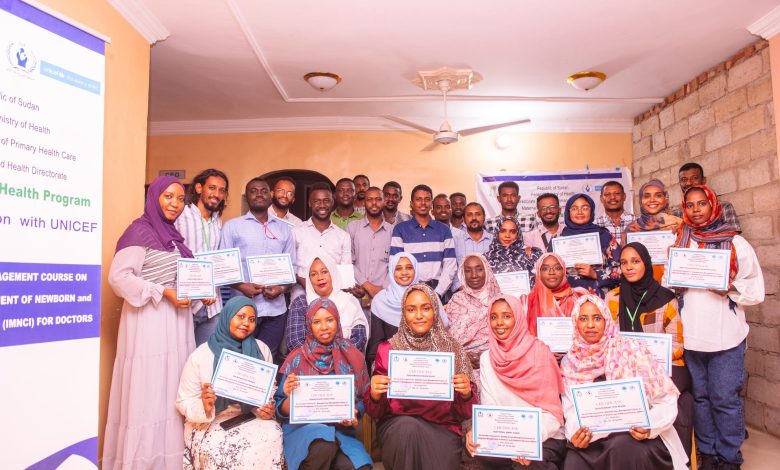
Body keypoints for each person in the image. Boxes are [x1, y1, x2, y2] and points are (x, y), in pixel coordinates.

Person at [104, 176, 205, 469]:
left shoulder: (174, 237)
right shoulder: (139, 231)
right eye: (168, 197)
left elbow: (180, 279)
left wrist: (200, 293)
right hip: (149, 322)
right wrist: (163, 292)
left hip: (177, 323)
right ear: (154, 198)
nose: (175, 204)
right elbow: (118, 277)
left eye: (180, 199)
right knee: (148, 389)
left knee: (172, 387)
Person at [674, 185, 764, 470]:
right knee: (701, 398)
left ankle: (728, 457)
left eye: (702, 204)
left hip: (726, 336)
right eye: (690, 205)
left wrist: (730, 287)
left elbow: (756, 289)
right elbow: (671, 285)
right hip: (691, 337)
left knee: (724, 398)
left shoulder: (735, 242)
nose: (696, 210)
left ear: (713, 206)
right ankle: (708, 453)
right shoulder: (680, 241)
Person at [561, 295, 688, 470]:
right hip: (594, 438)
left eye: (597, 318)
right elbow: (570, 409)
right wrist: (576, 434)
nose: (590, 325)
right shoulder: (570, 362)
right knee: (573, 461)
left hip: (637, 436)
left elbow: (667, 400)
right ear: (575, 322)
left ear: (606, 320)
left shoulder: (632, 350)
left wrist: (649, 426)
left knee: (622, 448)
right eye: (583, 318)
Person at [366, 284, 478, 470]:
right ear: (404, 313)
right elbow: (375, 412)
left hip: (443, 429)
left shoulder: (452, 349)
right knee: (407, 429)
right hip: (398, 427)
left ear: (435, 310)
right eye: (411, 309)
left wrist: (466, 394)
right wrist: (375, 395)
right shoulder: (388, 350)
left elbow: (465, 412)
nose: (419, 315)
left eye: (425, 308)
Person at [605, 242, 693, 457]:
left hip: (666, 365)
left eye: (635, 261)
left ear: (646, 263)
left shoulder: (666, 298)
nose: (629, 267)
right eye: (624, 262)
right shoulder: (612, 298)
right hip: (625, 366)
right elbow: (608, 339)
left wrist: (648, 362)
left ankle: (671, 458)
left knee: (673, 399)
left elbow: (677, 345)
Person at [176, 297, 283, 469]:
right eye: (240, 317)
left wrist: (266, 409)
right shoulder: (201, 355)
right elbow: (183, 401)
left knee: (272, 434)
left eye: (251, 319)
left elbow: (268, 393)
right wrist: (205, 406)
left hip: (249, 415)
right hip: (210, 420)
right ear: (227, 316)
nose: (246, 323)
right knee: (223, 446)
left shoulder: (262, 349)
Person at [465, 295, 567, 470]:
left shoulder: (540, 353)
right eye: (494, 317)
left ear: (518, 318)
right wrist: (479, 430)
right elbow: (490, 407)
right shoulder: (487, 358)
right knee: (475, 451)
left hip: (544, 436)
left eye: (507, 316)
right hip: (507, 436)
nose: (499, 323)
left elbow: (553, 415)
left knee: (526, 465)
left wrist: (525, 440)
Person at [276, 297, 372, 470]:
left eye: (329, 320)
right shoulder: (296, 358)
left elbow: (364, 398)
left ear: (337, 321)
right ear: (309, 325)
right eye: (317, 322)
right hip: (303, 432)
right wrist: (289, 397)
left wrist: (355, 412)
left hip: (341, 432)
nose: (324, 327)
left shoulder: (353, 355)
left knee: (361, 467)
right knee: (323, 446)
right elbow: (279, 409)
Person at [220, 177, 296, 359]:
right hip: (242, 309)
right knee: (239, 358)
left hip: (276, 311)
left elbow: (292, 268)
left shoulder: (285, 229)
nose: (259, 194)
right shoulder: (232, 227)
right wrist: (241, 286)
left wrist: (281, 288)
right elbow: (223, 268)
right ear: (247, 196)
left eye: (263, 191)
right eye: (253, 191)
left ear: (270, 195)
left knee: (267, 358)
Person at [175, 168, 229, 345]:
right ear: (199, 188)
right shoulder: (180, 216)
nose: (217, 194)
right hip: (186, 303)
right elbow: (171, 256)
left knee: (206, 356)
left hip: (213, 305)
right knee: (182, 356)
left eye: (221, 190)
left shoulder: (218, 221)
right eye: (212, 188)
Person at [367, 252, 450, 367]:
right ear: (391, 271)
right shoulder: (380, 300)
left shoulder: (429, 295)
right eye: (398, 269)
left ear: (415, 270)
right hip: (393, 363)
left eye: (409, 268)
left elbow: (441, 334)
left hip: (429, 362)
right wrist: (381, 370)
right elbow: (376, 344)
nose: (404, 272)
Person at [287, 255, 368, 352]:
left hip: (346, 358)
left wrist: (336, 356)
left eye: (324, 272)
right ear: (309, 279)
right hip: (309, 360)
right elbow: (295, 342)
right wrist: (322, 357)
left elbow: (359, 339)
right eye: (314, 274)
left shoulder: (350, 301)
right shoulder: (301, 303)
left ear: (333, 273)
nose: (320, 278)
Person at [390, 184, 457, 300]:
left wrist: (437, 293)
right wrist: (410, 293)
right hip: (410, 291)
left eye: (427, 199)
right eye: (418, 199)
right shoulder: (400, 229)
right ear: (411, 204)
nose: (423, 203)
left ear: (431, 203)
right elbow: (395, 265)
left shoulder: (444, 230)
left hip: (439, 292)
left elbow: (450, 266)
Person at [445, 254, 501, 378]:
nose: (474, 275)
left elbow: (507, 340)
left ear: (487, 270)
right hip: (460, 364)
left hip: (495, 362)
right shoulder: (456, 300)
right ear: (462, 274)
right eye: (468, 270)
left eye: (479, 269)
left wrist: (485, 357)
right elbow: (448, 339)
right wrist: (463, 357)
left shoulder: (500, 301)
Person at [293, 183, 351, 287]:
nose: (322, 205)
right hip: (302, 290)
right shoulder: (296, 232)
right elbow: (292, 267)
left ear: (332, 202)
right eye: (317, 201)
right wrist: (310, 287)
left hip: (334, 291)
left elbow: (345, 274)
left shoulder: (343, 236)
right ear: (310, 203)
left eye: (326, 201)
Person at [561, 193, 621, 292]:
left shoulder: (604, 235)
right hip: (568, 296)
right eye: (574, 208)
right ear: (568, 212)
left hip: (600, 296)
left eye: (585, 208)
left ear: (591, 210)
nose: (580, 212)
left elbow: (622, 269)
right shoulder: (560, 239)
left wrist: (595, 274)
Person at [625, 179, 682, 281]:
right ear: (640, 200)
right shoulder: (631, 229)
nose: (652, 200)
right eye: (647, 196)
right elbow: (625, 261)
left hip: (672, 282)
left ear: (665, 199)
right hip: (641, 283)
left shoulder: (679, 224)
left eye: (658, 195)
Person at [347, 186, 394, 301]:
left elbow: (394, 265)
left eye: (378, 199)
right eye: (369, 199)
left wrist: (382, 289)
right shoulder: (352, 228)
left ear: (384, 202)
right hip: (358, 293)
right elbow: (348, 261)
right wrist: (367, 286)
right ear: (364, 202)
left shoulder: (393, 231)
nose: (374, 203)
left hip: (385, 295)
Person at [526, 252, 588, 337]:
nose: (551, 272)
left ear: (564, 271)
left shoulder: (580, 297)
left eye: (557, 268)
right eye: (545, 268)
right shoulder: (528, 302)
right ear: (538, 272)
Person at [671, 163, 741, 231]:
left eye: (694, 178)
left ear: (704, 180)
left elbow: (733, 234)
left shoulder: (724, 207)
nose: (688, 183)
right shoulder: (676, 214)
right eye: (684, 179)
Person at [485, 216, 543, 287]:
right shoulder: (486, 258)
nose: (507, 235)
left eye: (512, 232)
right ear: (497, 232)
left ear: (518, 234)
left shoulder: (532, 254)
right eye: (503, 231)